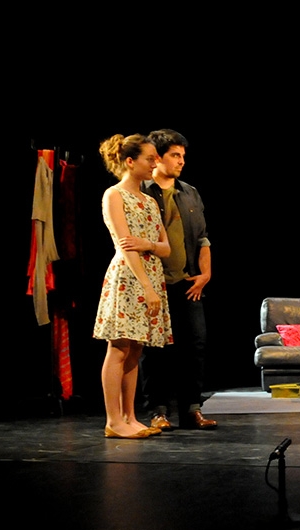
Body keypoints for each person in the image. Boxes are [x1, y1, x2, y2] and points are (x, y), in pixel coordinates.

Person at [94, 134, 172, 439]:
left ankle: (130, 416)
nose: (155, 163)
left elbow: (165, 248)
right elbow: (125, 246)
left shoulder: (149, 200)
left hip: (151, 275)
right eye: (150, 158)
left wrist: (148, 244)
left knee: (136, 349)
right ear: (130, 161)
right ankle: (114, 420)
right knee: (119, 347)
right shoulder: (114, 195)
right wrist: (147, 288)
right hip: (129, 278)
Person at [141, 129, 217, 430]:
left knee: (195, 346)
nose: (181, 161)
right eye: (175, 155)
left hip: (188, 283)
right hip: (154, 283)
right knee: (155, 350)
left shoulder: (190, 192)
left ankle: (191, 409)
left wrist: (206, 274)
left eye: (183, 156)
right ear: (157, 158)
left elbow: (202, 239)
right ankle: (157, 411)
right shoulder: (142, 193)